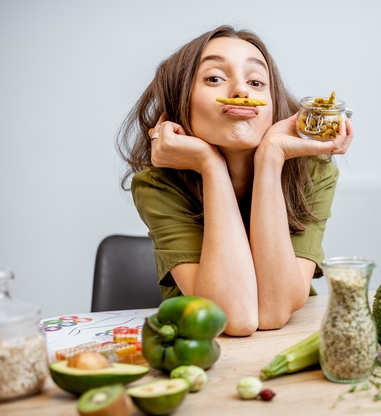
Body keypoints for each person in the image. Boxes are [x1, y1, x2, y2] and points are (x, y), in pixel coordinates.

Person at [116, 25, 354, 336]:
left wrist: (271, 158)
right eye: (214, 78)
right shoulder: (157, 185)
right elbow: (233, 317)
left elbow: (273, 312)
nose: (242, 93)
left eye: (256, 82)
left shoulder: (314, 171)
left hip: (290, 345)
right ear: (180, 99)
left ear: (273, 105)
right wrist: (209, 165)